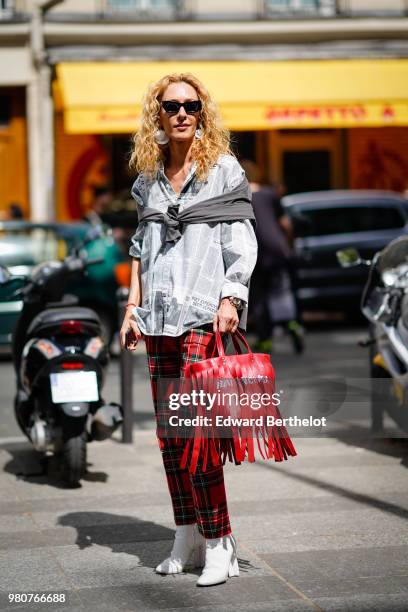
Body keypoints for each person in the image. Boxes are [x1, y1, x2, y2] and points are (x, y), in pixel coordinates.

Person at [120, 73, 258, 587]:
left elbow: (242, 240)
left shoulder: (222, 171)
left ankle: (221, 540)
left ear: (202, 112)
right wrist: (131, 307)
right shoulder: (147, 180)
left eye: (191, 105)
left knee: (198, 432)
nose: (181, 113)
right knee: (169, 435)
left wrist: (231, 296)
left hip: (202, 312)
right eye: (171, 105)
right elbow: (140, 248)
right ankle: (186, 532)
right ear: (156, 113)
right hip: (157, 318)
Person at [240, 160, 304, 354]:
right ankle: (292, 323)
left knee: (259, 296)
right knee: (281, 291)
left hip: (256, 252)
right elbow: (286, 225)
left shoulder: (241, 196)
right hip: (278, 251)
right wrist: (288, 246)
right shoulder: (270, 194)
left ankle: (265, 339)